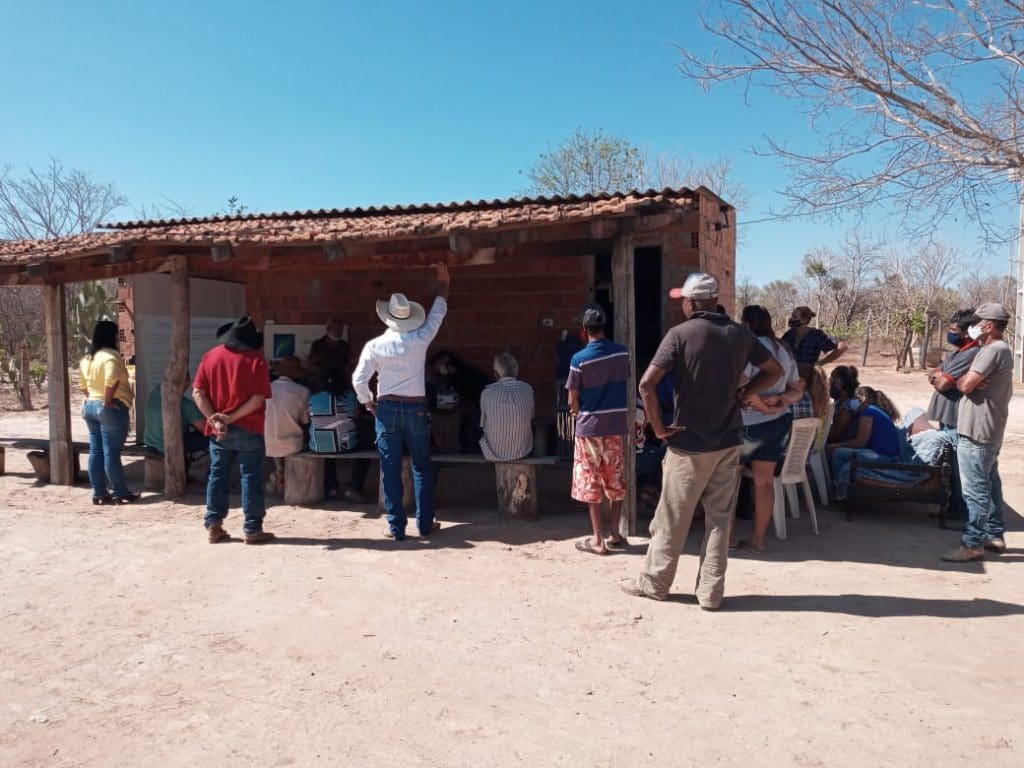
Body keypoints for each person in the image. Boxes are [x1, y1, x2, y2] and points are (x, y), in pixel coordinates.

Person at [622, 273, 783, 609]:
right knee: (720, 519)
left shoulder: (680, 335)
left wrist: (660, 428)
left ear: (692, 303)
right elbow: (774, 370)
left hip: (688, 443)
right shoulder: (741, 334)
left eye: (684, 299)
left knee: (672, 518)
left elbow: (647, 385)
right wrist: (744, 393)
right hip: (728, 441)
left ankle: (655, 584)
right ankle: (711, 592)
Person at [352, 263, 450, 540]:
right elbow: (438, 313)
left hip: (387, 408)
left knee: (390, 468)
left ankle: (396, 527)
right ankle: (424, 523)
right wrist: (444, 284)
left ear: (387, 318)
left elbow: (359, 379)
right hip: (416, 408)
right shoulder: (420, 339)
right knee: (421, 465)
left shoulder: (374, 346)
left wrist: (367, 402)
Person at [193, 315, 275, 545]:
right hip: (249, 426)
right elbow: (257, 399)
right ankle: (252, 529)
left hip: (219, 431)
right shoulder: (256, 361)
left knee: (218, 475)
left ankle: (214, 525)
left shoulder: (211, 357)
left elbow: (198, 393)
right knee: (251, 477)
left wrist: (215, 420)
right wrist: (230, 418)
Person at [942, 303, 1014, 562]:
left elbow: (965, 384)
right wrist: (968, 383)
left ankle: (973, 543)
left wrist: (963, 381)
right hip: (989, 428)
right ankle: (994, 534)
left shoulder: (990, 351)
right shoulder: (1001, 350)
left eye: (978, 322)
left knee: (975, 490)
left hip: (977, 430)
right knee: (990, 483)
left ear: (990, 325)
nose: (974, 327)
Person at [734, 305, 803, 554]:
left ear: (746, 324)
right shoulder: (783, 349)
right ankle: (758, 540)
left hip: (748, 425)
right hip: (777, 423)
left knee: (730, 480)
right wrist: (780, 401)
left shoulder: (749, 347)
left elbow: (739, 382)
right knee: (764, 482)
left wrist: (757, 401)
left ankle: (728, 539)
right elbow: (797, 388)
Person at [566, 304, 631, 555]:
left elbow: (573, 399)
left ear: (584, 330)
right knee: (615, 480)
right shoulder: (621, 353)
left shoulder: (578, 359)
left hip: (589, 428)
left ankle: (597, 540)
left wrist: (575, 413)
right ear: (604, 327)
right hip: (615, 426)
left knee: (590, 481)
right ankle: (615, 533)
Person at [79, 320, 140, 505]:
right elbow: (111, 380)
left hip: (89, 406)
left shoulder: (87, 358)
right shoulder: (111, 356)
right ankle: (120, 492)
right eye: (117, 334)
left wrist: (95, 398)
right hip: (110, 407)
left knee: (96, 451)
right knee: (111, 453)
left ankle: (99, 492)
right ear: (111, 336)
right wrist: (106, 400)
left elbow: (83, 385)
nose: (119, 338)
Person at [827, 385, 903, 500]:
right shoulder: (875, 410)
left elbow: (861, 441)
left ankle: (838, 490)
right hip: (885, 453)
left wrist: (834, 446)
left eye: (855, 399)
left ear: (862, 399)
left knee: (838, 453)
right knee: (841, 452)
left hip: (883, 456)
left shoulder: (868, 412)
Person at [307, 367, 372, 501]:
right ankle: (354, 487)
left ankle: (331, 487)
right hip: (346, 445)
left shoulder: (313, 398)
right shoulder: (351, 397)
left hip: (318, 446)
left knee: (327, 446)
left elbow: (309, 419)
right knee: (368, 450)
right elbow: (356, 417)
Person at [926, 309, 981, 430]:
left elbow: (943, 384)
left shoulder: (971, 353)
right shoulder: (956, 351)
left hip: (955, 418)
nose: (950, 333)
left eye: (954, 330)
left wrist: (940, 376)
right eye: (950, 329)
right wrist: (937, 375)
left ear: (967, 333)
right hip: (945, 416)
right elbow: (932, 373)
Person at [427, 349, 490, 452]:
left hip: (480, 405)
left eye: (447, 364)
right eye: (442, 363)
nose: (444, 367)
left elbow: (466, 397)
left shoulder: (463, 375)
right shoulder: (430, 373)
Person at [264, 355, 312, 492]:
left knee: (275, 431)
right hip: (292, 446)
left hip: (266, 444)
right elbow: (305, 420)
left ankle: (279, 472)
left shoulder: (265, 388)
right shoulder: (303, 391)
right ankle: (284, 476)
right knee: (300, 436)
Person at [478, 353, 535, 461]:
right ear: (516, 371)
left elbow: (483, 424)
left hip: (492, 453)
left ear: (495, 374)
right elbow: (531, 417)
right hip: (522, 451)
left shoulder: (487, 392)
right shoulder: (527, 389)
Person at [142, 380, 207, 457]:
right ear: (188, 382)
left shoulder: (156, 391)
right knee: (215, 439)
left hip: (150, 443)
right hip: (168, 446)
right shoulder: (186, 405)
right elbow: (206, 429)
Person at [782, 305, 848, 365]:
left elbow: (843, 346)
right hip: (789, 374)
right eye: (792, 316)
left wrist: (821, 362)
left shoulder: (816, 335)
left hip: (808, 374)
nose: (791, 319)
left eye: (795, 316)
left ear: (805, 320)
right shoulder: (789, 334)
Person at [826, 365, 863, 443]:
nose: (830, 382)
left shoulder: (849, 404)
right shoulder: (841, 401)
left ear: (843, 384)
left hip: (846, 444)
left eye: (833, 379)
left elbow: (837, 434)